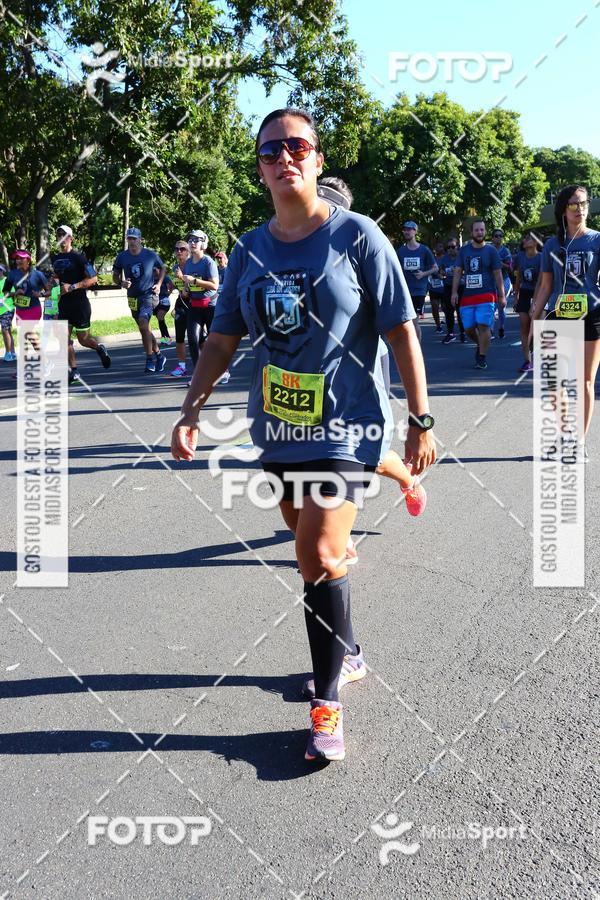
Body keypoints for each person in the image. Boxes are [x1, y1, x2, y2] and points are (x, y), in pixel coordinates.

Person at [171, 107, 436, 763]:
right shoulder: (251, 251)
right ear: (259, 169)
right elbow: (223, 337)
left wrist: (421, 419)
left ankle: (326, 708)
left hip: (349, 426)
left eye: (298, 146)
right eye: (270, 150)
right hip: (281, 427)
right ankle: (347, 649)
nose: (284, 157)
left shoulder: (359, 236)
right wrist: (190, 410)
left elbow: (401, 327)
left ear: (317, 159)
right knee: (316, 556)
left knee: (316, 552)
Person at [529, 184, 600, 439]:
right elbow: (546, 286)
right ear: (563, 209)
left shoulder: (597, 240)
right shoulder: (552, 245)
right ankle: (566, 431)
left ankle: (578, 440)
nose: (579, 209)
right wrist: (534, 322)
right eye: (573, 204)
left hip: (591, 315)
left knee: (585, 382)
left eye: (583, 203)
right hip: (559, 315)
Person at [51, 225, 111, 383]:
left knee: (83, 340)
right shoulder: (55, 259)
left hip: (80, 305)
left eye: (64, 235)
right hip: (64, 305)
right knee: (63, 339)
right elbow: (57, 277)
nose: (61, 238)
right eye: (58, 235)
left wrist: (71, 287)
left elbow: (93, 279)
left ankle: (99, 348)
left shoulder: (79, 257)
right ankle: (74, 371)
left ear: (70, 238)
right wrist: (52, 285)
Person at [451, 219, 506, 370]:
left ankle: (481, 357)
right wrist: (454, 292)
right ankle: (480, 344)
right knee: (468, 328)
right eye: (476, 230)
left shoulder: (491, 251)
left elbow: (497, 273)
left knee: (483, 325)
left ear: (485, 232)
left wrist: (501, 295)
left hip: (487, 295)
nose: (479, 233)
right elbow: (457, 271)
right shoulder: (464, 251)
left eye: (482, 230)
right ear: (472, 232)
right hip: (468, 296)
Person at [113, 228, 167, 374]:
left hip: (148, 295)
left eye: (134, 239)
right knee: (145, 330)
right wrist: (121, 283)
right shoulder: (122, 257)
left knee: (144, 325)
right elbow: (115, 276)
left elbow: (163, 267)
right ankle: (159, 356)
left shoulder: (150, 255)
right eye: (129, 239)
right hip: (132, 297)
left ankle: (149, 360)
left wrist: (159, 284)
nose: (132, 242)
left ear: (140, 239)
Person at [182, 229, 219, 384]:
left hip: (210, 306)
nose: (192, 243)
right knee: (192, 339)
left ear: (203, 244)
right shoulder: (189, 263)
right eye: (190, 240)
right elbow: (188, 285)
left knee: (214, 342)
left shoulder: (208, 262)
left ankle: (222, 370)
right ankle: (198, 376)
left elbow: (214, 286)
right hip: (195, 306)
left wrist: (194, 281)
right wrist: (185, 290)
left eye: (196, 240)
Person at [396, 221, 438, 341]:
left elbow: (435, 268)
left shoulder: (424, 250)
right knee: (406, 322)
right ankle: (411, 349)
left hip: (419, 291)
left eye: (409, 229)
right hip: (404, 291)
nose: (406, 232)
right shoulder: (401, 251)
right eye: (404, 229)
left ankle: (416, 351)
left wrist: (423, 274)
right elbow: (396, 269)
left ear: (415, 231)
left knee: (414, 321)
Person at [513, 233, 541, 373]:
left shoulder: (541, 258)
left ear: (536, 242)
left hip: (539, 294)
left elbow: (541, 283)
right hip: (524, 293)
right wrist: (516, 297)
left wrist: (535, 303)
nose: (525, 240)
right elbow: (518, 279)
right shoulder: (520, 257)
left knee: (535, 327)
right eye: (524, 238)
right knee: (524, 326)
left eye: (528, 238)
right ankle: (527, 361)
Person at [170, 240, 191, 377]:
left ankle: (206, 366)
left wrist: (182, 279)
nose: (179, 252)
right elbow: (175, 287)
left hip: (195, 304)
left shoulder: (193, 265)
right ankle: (182, 366)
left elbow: (193, 287)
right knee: (179, 336)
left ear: (188, 251)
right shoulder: (175, 267)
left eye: (182, 249)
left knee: (198, 338)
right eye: (176, 249)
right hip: (181, 304)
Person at [439, 238, 466, 343]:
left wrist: (460, 272)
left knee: (460, 311)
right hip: (448, 286)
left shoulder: (461, 257)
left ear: (457, 247)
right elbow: (440, 271)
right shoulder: (444, 259)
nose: (450, 249)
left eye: (453, 247)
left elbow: (467, 270)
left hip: (460, 286)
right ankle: (450, 333)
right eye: (448, 247)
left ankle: (463, 332)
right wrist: (444, 273)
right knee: (448, 310)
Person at [490, 228, 512, 339]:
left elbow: (510, 267)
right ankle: (491, 331)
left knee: (501, 306)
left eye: (500, 236)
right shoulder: (489, 250)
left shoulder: (505, 251)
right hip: (491, 281)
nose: (498, 238)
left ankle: (501, 326)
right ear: (492, 238)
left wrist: (500, 263)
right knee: (491, 307)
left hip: (504, 280)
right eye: (496, 236)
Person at [214, 251, 231, 385]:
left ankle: (225, 371)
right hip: (213, 306)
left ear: (226, 259)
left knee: (222, 340)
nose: (219, 261)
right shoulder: (215, 271)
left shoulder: (229, 271)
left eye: (221, 259)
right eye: (217, 259)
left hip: (226, 307)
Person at [153, 267, 175, 345]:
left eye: (155, 270)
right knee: (160, 320)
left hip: (164, 302)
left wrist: (168, 293)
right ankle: (164, 339)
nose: (154, 272)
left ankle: (167, 339)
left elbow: (172, 285)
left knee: (160, 317)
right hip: (154, 303)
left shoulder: (164, 277)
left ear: (159, 270)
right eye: (152, 270)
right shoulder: (150, 278)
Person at [0, 263, 16, 361]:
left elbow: (14, 292)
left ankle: (8, 353)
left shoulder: (7, 280)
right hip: (1, 310)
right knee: (8, 331)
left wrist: (4, 298)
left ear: (2, 271)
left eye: (0, 270)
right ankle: (13, 353)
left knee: (5, 330)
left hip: (7, 309)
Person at [428, 242, 445, 333]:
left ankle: (448, 321)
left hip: (444, 287)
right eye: (438, 246)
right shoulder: (432, 259)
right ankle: (438, 326)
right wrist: (435, 273)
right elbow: (427, 269)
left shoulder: (446, 258)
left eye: (441, 246)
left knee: (445, 307)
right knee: (434, 306)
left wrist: (443, 273)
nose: (440, 248)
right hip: (433, 286)